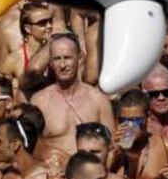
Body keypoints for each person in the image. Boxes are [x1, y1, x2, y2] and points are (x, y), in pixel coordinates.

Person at [31, 32, 114, 165]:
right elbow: (31, 146)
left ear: (79, 58)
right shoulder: (39, 101)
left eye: (68, 58)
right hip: (55, 177)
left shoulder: (98, 100)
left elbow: (112, 148)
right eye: (57, 59)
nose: (62, 65)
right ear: (51, 62)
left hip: (91, 178)